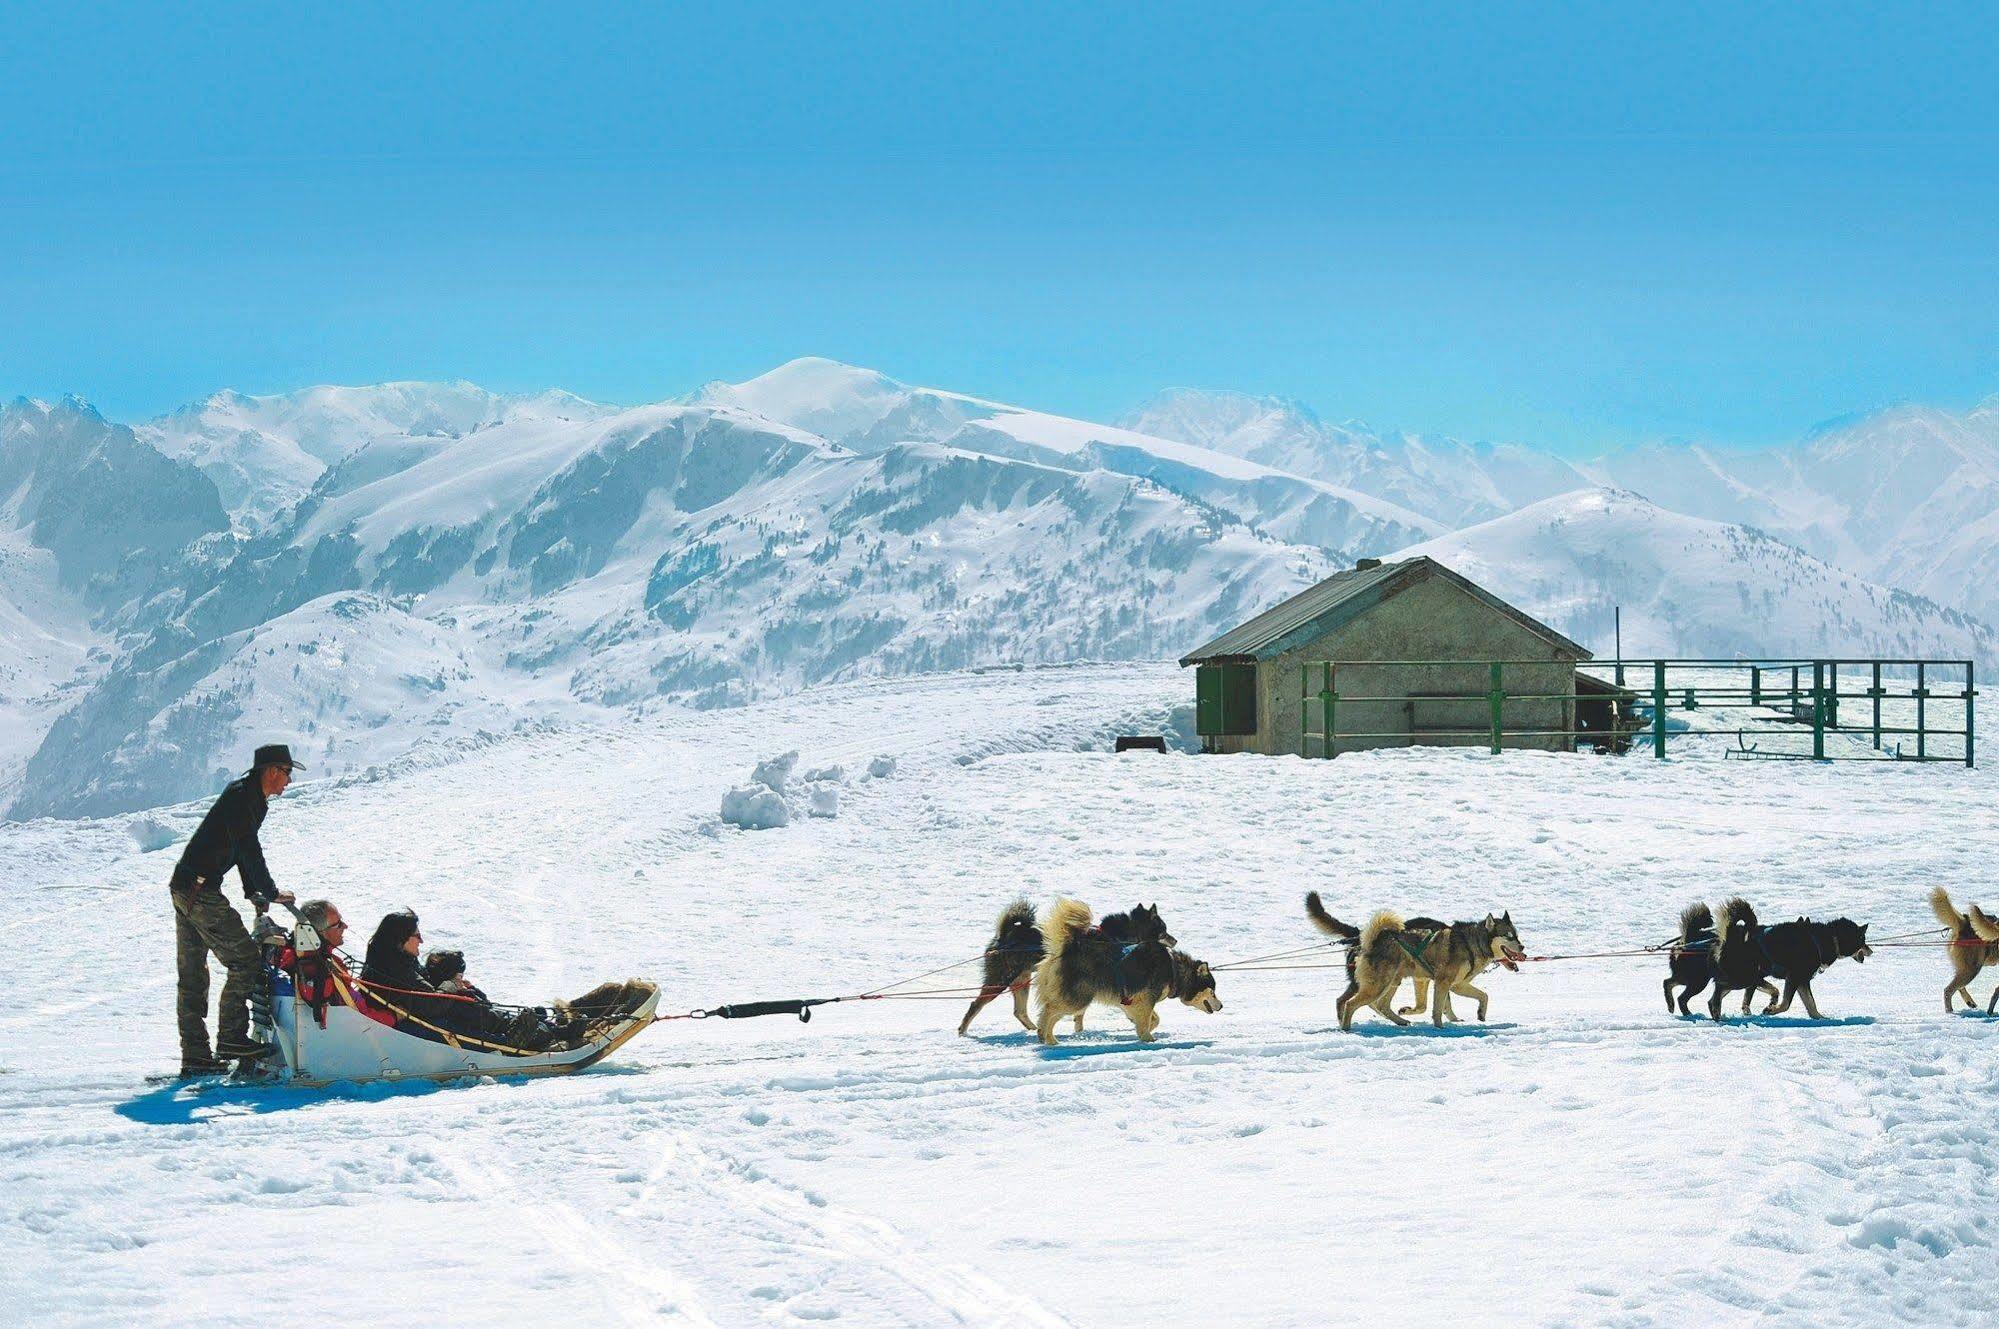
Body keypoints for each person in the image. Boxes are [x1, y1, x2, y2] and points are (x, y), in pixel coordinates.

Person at [170, 743, 302, 1077]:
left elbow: (241, 849)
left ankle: (196, 1057)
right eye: (287, 773)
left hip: (186, 886)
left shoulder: (247, 797)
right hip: (199, 890)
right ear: (271, 771)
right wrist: (270, 892)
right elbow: (249, 848)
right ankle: (230, 1039)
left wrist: (253, 892)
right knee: (245, 960)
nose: (288, 782)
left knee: (192, 976)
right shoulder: (245, 799)